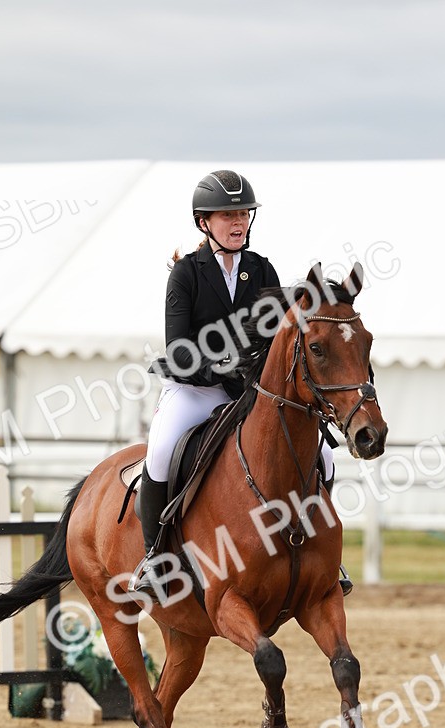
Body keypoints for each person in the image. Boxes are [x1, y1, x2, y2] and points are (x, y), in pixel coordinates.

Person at [128, 169, 350, 600]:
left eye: (244, 214)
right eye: (227, 215)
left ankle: (322, 551)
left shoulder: (260, 269)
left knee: (323, 455)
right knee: (161, 450)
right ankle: (154, 557)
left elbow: (281, 331)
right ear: (204, 222)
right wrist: (223, 367)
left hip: (248, 392)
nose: (238, 222)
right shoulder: (187, 274)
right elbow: (179, 350)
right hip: (194, 389)